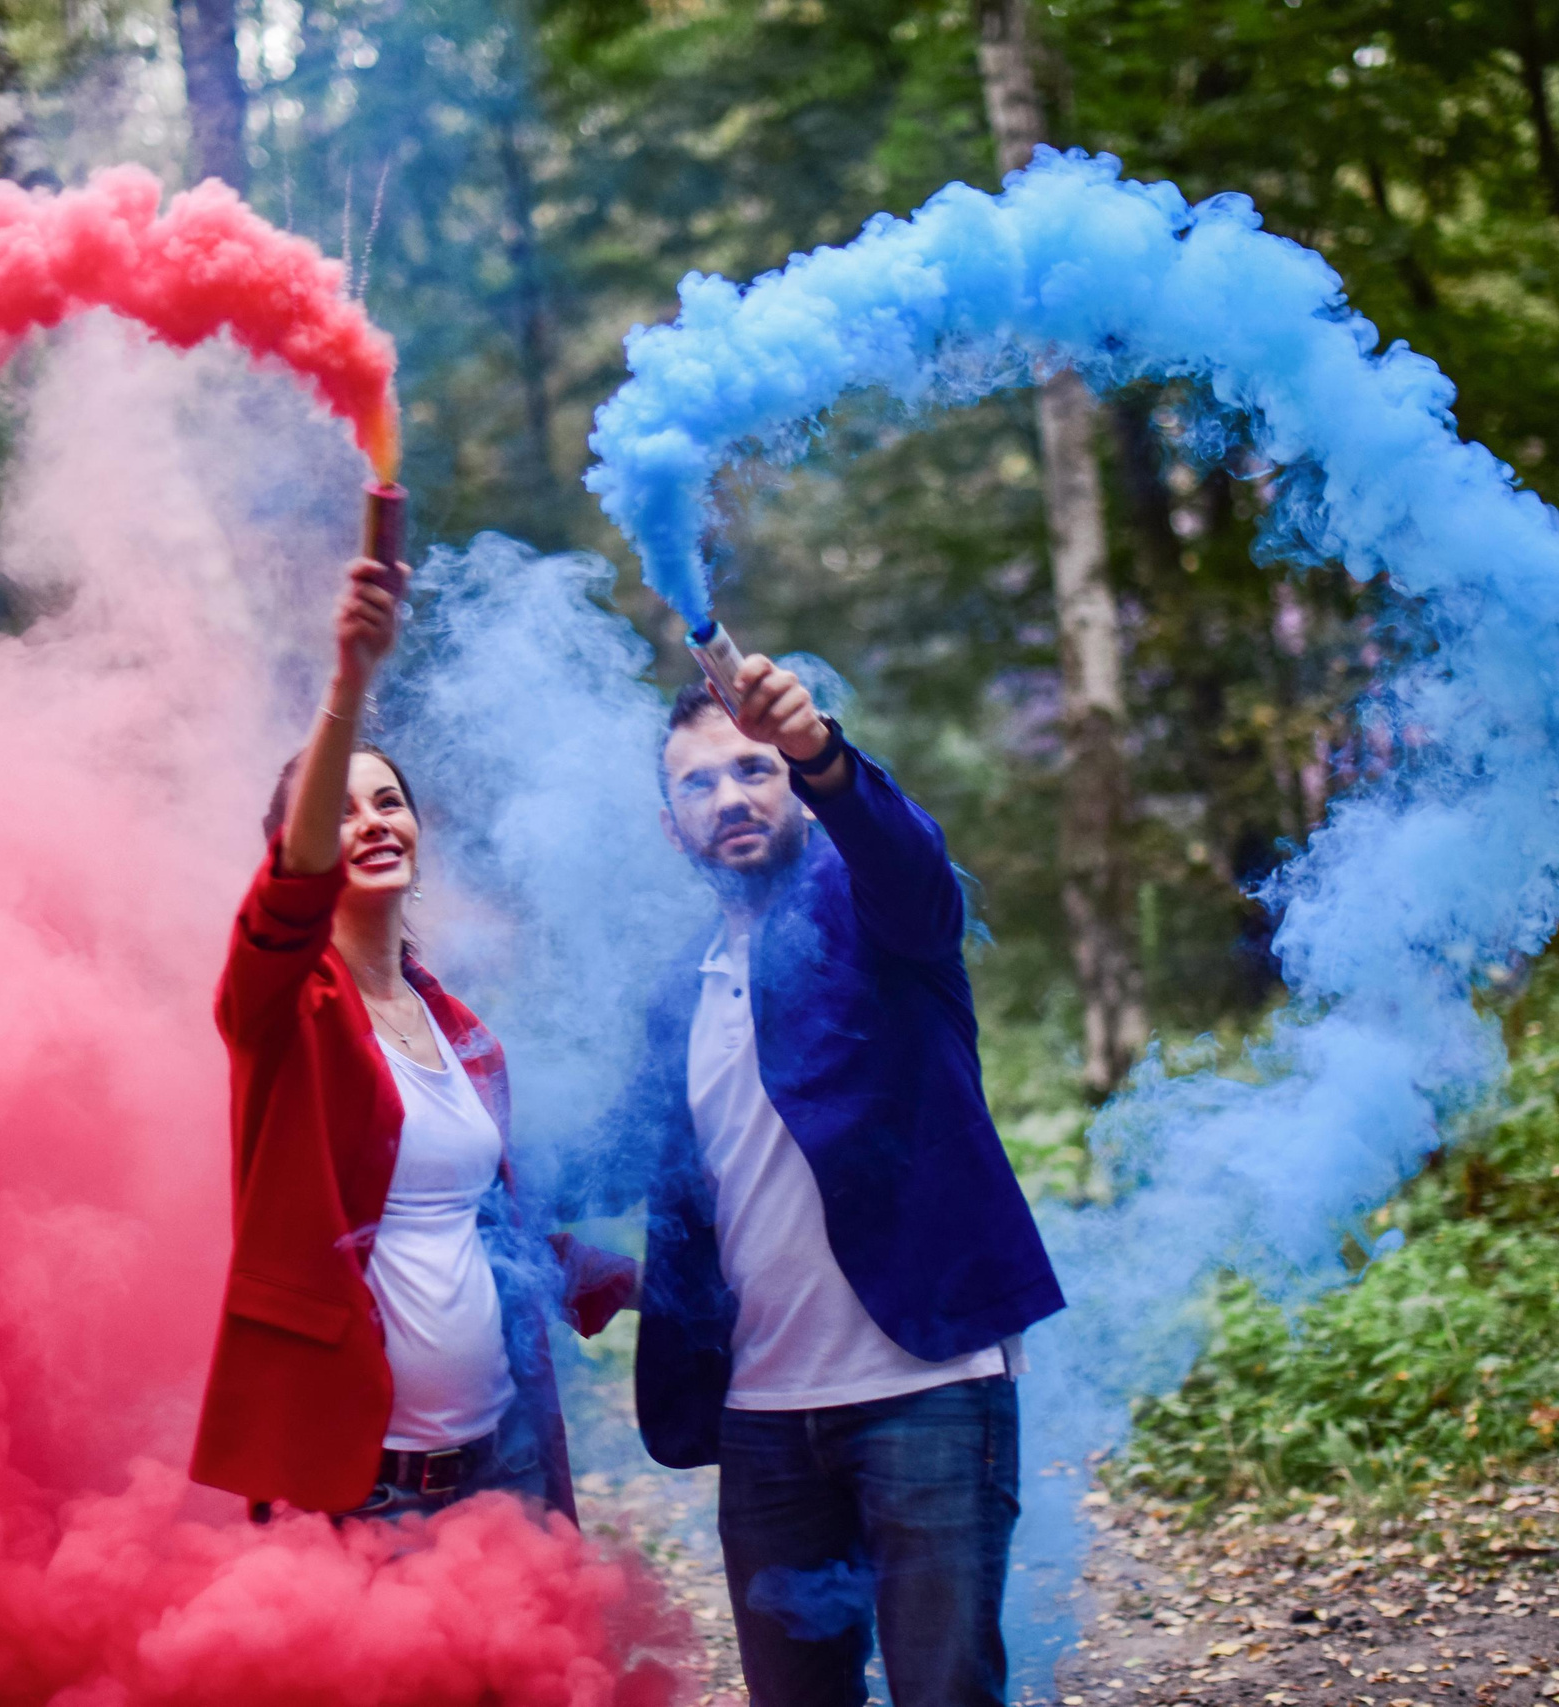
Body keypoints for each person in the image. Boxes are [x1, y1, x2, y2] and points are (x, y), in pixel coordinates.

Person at [624, 655, 1065, 1706]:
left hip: (927, 1395)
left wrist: (820, 749)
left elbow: (905, 857)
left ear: (797, 793)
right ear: (670, 825)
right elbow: (657, 1175)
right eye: (698, 783)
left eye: (753, 770)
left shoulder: (883, 911)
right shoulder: (675, 991)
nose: (730, 797)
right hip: (764, 1418)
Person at [189, 550, 634, 1523]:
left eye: (388, 801)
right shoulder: (282, 1009)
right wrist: (349, 682)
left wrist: (650, 1281)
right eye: (341, 812)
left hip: (507, 1454)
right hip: (368, 1480)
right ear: (297, 851)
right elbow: (284, 900)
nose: (374, 821)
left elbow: (488, 1235)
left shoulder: (463, 1031)